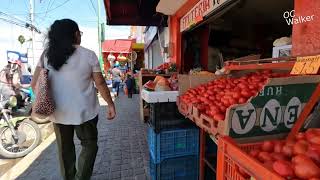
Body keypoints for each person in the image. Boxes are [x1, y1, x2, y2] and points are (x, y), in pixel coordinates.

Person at [30, 19, 116, 180]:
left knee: (65, 149)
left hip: (58, 113)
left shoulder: (47, 55)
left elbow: (34, 84)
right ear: (76, 34)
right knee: (89, 145)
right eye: (80, 33)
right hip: (85, 112)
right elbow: (100, 83)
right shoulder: (88, 55)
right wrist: (110, 104)